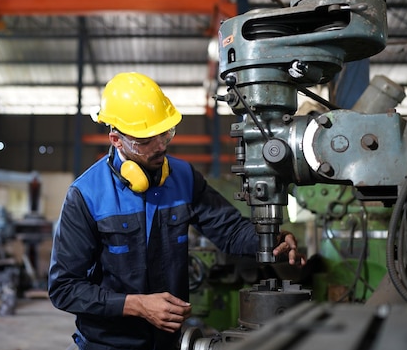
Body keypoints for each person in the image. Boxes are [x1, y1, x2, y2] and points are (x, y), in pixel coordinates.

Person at [48, 72, 305, 350]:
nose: (160, 146)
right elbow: (64, 288)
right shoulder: (86, 195)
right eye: (146, 141)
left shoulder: (183, 176)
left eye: (165, 133)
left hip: (169, 341)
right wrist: (136, 305)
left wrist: (271, 239)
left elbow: (229, 230)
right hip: (107, 344)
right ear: (116, 140)